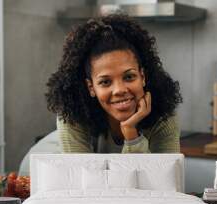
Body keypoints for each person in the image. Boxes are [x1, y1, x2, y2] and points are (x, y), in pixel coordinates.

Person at [45, 14, 182, 153]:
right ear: (91, 87)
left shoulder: (164, 117)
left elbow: (162, 174)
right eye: (105, 82)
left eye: (129, 77)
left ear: (142, 76)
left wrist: (131, 133)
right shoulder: (73, 114)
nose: (119, 90)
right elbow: (78, 174)